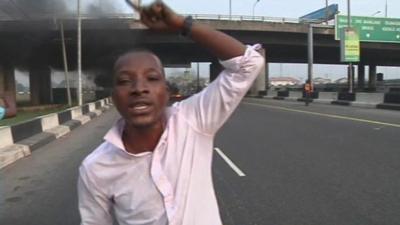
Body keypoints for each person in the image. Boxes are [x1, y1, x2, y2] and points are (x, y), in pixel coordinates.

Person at [77, 1, 264, 225]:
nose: (139, 88)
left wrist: (181, 24)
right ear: (114, 96)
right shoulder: (96, 168)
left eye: (152, 78)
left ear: (166, 93)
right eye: (125, 81)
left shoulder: (193, 120)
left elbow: (249, 63)